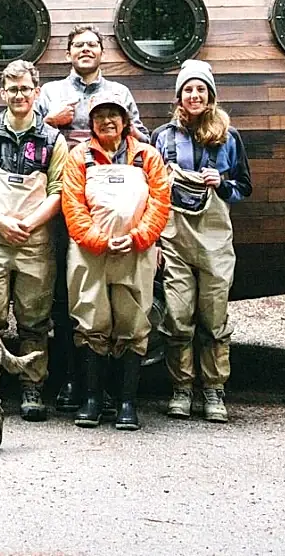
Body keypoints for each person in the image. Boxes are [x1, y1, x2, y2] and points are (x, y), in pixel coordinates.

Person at [32, 24, 148, 414]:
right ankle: (70, 378)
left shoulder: (119, 94)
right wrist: (50, 121)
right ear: (68, 53)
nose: (85, 50)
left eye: (92, 45)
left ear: (102, 53)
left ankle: (114, 391)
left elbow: (142, 139)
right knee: (68, 292)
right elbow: (29, 137)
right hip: (67, 198)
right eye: (78, 45)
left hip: (114, 204)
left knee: (118, 296)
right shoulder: (50, 93)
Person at [0, 60, 67, 421]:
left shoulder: (53, 140)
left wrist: (29, 224)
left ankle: (31, 387)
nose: (19, 94)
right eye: (12, 88)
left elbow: (58, 191)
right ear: (2, 92)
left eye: (25, 88)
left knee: (34, 320)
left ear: (36, 92)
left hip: (35, 241)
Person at [60, 94, 171, 431]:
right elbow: (72, 204)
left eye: (114, 115)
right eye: (100, 116)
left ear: (125, 121)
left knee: (133, 324)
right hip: (89, 253)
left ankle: (127, 402)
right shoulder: (79, 157)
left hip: (136, 253)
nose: (107, 121)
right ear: (91, 123)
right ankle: (93, 399)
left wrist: (138, 238)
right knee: (91, 322)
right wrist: (99, 240)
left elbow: (160, 202)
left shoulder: (147, 157)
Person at [150, 59, 252, 423]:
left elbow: (244, 188)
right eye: (188, 89)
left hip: (215, 241)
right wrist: (154, 241)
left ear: (210, 96)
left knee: (214, 317)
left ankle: (214, 391)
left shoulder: (229, 135)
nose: (194, 95)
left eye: (200, 89)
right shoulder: (162, 137)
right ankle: (180, 389)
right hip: (174, 238)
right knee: (178, 316)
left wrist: (221, 183)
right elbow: (151, 190)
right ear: (179, 96)